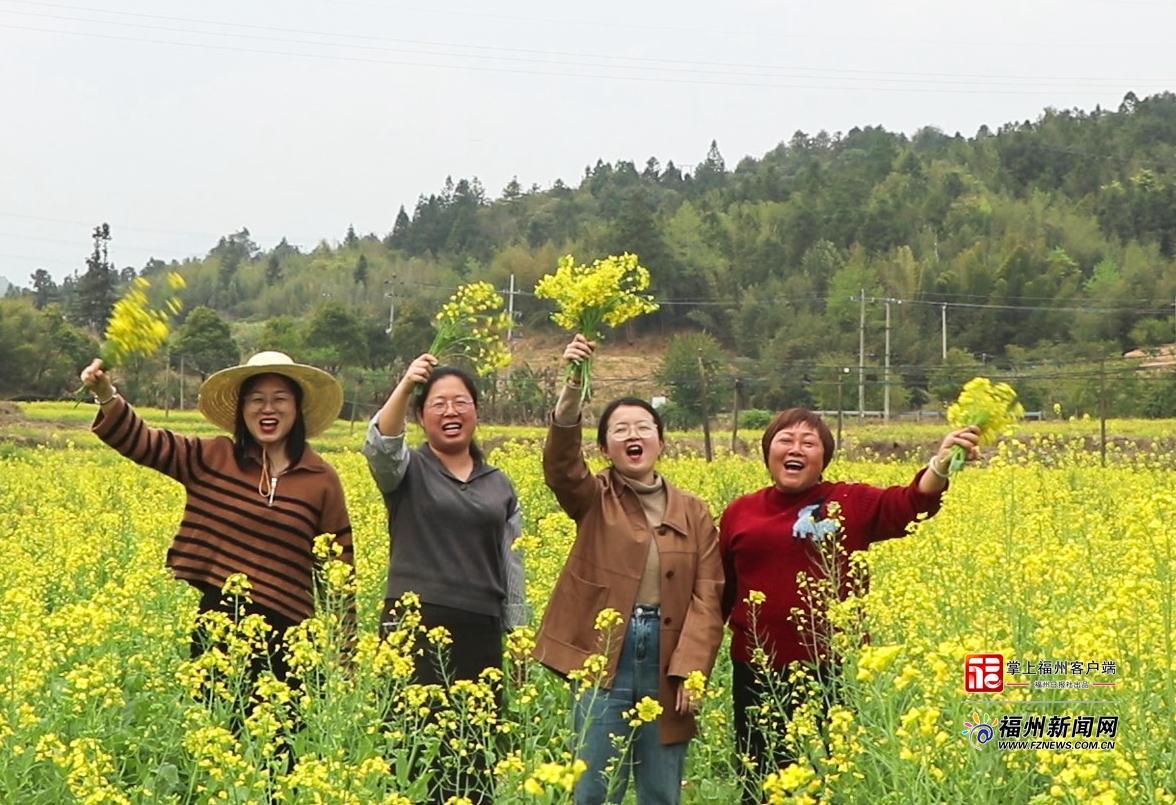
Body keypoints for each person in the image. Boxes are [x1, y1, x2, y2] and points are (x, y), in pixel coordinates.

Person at [719, 407, 980, 804]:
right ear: (768, 452)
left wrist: (940, 465)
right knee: (760, 780)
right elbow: (722, 592)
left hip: (832, 671)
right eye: (785, 440)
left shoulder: (847, 501)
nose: (796, 449)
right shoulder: (740, 511)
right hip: (756, 672)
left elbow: (911, 504)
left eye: (809, 443)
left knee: (829, 780)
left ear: (824, 458)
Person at [80, 350, 353, 685]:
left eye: (280, 399)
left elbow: (340, 569)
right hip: (217, 628)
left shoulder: (321, 479)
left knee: (285, 719)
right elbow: (145, 443)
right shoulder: (213, 458)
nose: (268, 408)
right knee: (217, 715)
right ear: (242, 410)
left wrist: (346, 651)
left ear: (297, 409)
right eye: (256, 399)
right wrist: (106, 394)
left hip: (290, 642)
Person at [532, 334, 724, 805]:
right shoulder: (594, 496)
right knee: (595, 787)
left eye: (643, 427)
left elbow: (708, 594)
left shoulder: (693, 511)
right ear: (604, 448)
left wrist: (691, 669)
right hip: (605, 652)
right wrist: (572, 389)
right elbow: (561, 466)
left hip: (668, 654)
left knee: (660, 790)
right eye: (620, 430)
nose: (633, 436)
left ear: (661, 441)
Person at [362, 354, 526, 802]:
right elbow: (380, 446)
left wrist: (518, 633)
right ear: (420, 416)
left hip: (480, 630)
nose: (450, 412)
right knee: (412, 750)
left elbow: (512, 564)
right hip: (413, 628)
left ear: (477, 411)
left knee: (475, 754)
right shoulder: (406, 470)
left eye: (461, 402)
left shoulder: (499, 483)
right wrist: (405, 384)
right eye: (438, 404)